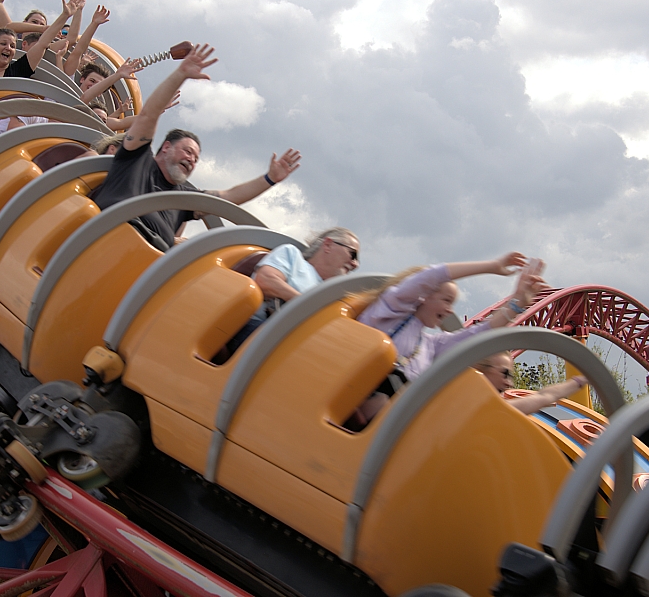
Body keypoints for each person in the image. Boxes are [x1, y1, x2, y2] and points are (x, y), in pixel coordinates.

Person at [90, 43, 301, 249]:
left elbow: (229, 197)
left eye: (196, 159)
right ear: (166, 148)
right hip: (108, 239)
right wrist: (180, 75)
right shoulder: (136, 159)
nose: (192, 160)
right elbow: (148, 116)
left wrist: (270, 179)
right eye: (188, 152)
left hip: (146, 264)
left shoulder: (184, 196)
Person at [348, 256, 548, 426]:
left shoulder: (430, 346)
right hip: (354, 409)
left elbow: (479, 334)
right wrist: (492, 266)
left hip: (391, 430)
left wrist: (518, 303)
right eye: (446, 300)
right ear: (423, 295)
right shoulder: (390, 312)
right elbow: (430, 276)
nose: (451, 310)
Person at [224, 228, 360, 355]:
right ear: (328, 245)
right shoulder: (292, 255)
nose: (355, 264)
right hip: (257, 328)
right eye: (352, 254)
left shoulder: (333, 297)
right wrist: (308, 306)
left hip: (295, 343)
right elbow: (266, 280)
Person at [473, 352, 589, 415]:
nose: (510, 383)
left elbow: (543, 396)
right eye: (505, 373)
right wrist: (581, 380)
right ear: (479, 369)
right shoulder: (488, 411)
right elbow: (543, 397)